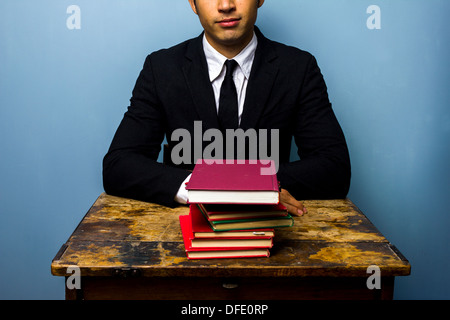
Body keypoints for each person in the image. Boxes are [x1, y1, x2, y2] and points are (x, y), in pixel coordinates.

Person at [102, 0, 351, 217]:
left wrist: (245, 187)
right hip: (180, 231)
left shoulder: (298, 68)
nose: (225, 5)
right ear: (193, 3)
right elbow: (119, 165)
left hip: (269, 233)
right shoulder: (161, 68)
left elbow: (334, 169)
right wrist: (202, 189)